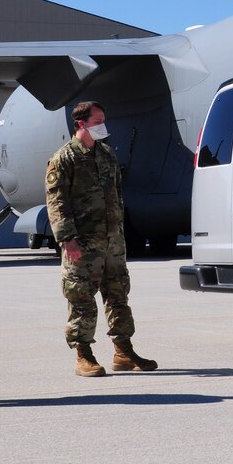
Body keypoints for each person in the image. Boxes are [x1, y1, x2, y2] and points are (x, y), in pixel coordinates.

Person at [45, 101, 157, 377]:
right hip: (82, 245)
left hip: (112, 243)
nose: (103, 126)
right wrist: (67, 239)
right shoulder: (63, 159)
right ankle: (83, 355)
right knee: (81, 299)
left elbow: (117, 197)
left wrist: (120, 235)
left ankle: (123, 351)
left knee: (119, 296)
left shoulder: (106, 155)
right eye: (98, 121)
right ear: (81, 124)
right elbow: (56, 202)